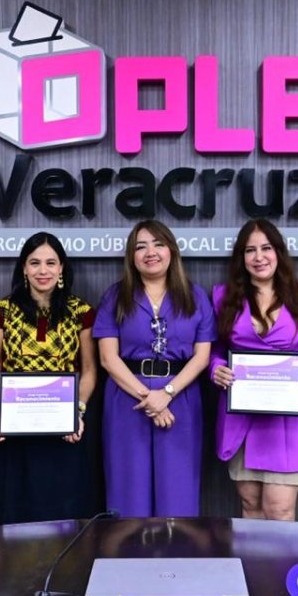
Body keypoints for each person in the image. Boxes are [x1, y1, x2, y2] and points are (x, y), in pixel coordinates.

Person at [210, 219, 298, 521]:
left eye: (266, 248)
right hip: (241, 417)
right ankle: (250, 557)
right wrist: (216, 368)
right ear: (241, 257)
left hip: (286, 420)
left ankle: (280, 558)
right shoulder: (223, 296)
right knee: (250, 506)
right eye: (250, 250)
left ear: (278, 252)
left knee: (280, 509)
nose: (259, 257)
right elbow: (215, 350)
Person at [94, 221, 215, 517]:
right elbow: (108, 358)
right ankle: (128, 546)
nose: (151, 252)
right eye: (141, 246)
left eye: (158, 244)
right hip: (128, 399)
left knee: (178, 488)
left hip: (180, 399)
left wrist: (167, 394)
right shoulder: (115, 296)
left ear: (171, 250)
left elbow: (202, 357)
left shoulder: (196, 296)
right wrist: (149, 398)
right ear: (131, 256)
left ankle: (176, 546)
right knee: (128, 488)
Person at [0, 232, 99, 525]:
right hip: (13, 430)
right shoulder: (0, 311)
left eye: (50, 263)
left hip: (64, 430)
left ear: (61, 268)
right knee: (14, 513)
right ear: (24, 268)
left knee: (63, 513)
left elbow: (89, 370)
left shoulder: (81, 312)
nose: (42, 270)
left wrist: (77, 412)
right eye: (34, 263)